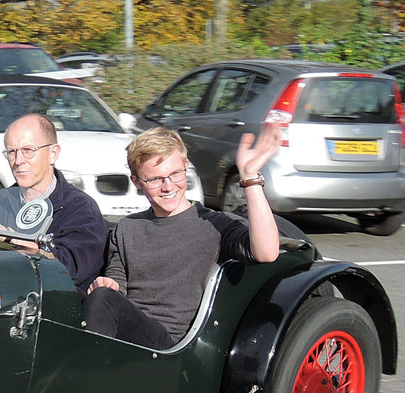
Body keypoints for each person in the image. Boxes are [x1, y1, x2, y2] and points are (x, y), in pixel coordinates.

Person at [84, 125, 282, 349]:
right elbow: (116, 286)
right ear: (137, 182)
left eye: (175, 174)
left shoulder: (212, 224)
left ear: (186, 167)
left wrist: (249, 178)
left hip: (169, 345)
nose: (168, 187)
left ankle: (88, 378)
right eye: (155, 180)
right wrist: (107, 284)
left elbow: (266, 252)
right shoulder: (127, 227)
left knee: (102, 300)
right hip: (130, 332)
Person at [0, 113, 109, 292]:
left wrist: (5, 236)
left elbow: (69, 269)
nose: (18, 161)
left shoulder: (81, 209)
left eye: (28, 150)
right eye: (11, 152)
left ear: (53, 154)